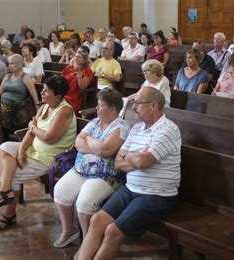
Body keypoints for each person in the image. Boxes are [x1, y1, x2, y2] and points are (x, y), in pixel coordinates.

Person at [77, 87, 181, 259]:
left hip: (156, 195)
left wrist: (132, 157)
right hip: (130, 188)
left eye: (138, 103)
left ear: (153, 105)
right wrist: (135, 158)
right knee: (97, 220)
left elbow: (143, 161)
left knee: (112, 231)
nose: (133, 107)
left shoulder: (168, 129)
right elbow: (118, 162)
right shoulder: (137, 128)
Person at [0, 76, 76, 232]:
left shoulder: (65, 111)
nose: (42, 92)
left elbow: (49, 137)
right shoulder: (44, 107)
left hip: (49, 158)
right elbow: (31, 132)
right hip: (33, 150)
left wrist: (33, 127)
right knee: (4, 147)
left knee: (13, 173)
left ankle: (8, 215)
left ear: (58, 96)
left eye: (46, 91)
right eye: (43, 89)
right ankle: (5, 191)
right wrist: (21, 150)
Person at [53, 88, 129, 248]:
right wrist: (94, 144)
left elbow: (106, 150)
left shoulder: (121, 127)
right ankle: (69, 230)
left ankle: (89, 245)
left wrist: (89, 140)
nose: (96, 108)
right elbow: (78, 143)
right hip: (81, 170)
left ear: (113, 109)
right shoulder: (94, 122)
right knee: (60, 191)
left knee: (84, 203)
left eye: (100, 105)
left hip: (105, 176)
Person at [0, 54, 40, 136]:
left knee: (1, 113)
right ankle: (0, 138)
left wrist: (37, 117)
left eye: (12, 63)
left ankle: (3, 136)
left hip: (17, 109)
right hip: (3, 106)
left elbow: (35, 99)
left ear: (19, 64)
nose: (9, 66)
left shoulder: (26, 78)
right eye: (9, 64)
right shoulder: (7, 77)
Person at [62, 49, 95, 114]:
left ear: (84, 61)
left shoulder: (88, 71)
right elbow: (62, 79)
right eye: (75, 56)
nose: (76, 58)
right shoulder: (70, 67)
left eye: (79, 57)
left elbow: (82, 88)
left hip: (74, 97)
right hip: (63, 93)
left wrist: (78, 72)